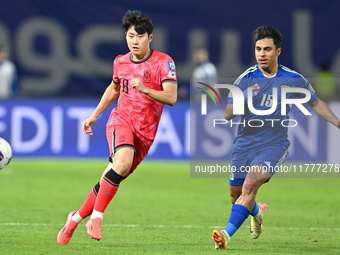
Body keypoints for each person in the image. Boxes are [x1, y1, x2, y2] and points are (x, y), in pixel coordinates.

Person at [212, 25, 340, 250]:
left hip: (274, 144)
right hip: (244, 143)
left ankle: (226, 235)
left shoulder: (293, 79)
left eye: (267, 49)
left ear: (278, 52)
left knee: (250, 185)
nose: (262, 54)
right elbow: (228, 113)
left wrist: (338, 122)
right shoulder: (246, 79)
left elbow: (316, 103)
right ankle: (257, 212)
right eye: (258, 49)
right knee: (236, 197)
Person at [57, 10, 177, 244]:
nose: (135, 41)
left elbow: (171, 97)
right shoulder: (120, 62)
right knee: (122, 163)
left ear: (150, 37)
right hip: (121, 120)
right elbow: (114, 89)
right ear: (126, 37)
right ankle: (97, 218)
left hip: (145, 133)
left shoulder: (164, 62)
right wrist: (94, 115)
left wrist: (145, 89)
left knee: (110, 177)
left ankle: (75, 218)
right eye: (131, 36)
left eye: (140, 36)